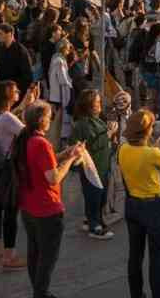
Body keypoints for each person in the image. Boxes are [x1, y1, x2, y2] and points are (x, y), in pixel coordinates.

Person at [14, 101, 85, 298]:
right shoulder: (41, 143)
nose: (51, 120)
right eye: (48, 116)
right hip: (46, 208)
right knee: (47, 257)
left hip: (28, 205)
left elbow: (43, 163)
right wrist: (72, 158)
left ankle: (39, 290)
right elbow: (53, 177)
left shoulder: (25, 138)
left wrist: (64, 154)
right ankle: (41, 292)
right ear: (40, 120)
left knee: (34, 251)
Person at [118, 109, 160, 298]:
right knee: (157, 255)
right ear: (146, 131)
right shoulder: (153, 153)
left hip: (132, 205)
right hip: (153, 207)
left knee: (135, 255)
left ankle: (136, 294)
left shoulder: (124, 149)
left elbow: (142, 153)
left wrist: (156, 142)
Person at [0, 79, 33, 270]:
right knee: (10, 211)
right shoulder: (7, 118)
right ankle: (9, 257)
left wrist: (25, 103)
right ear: (7, 97)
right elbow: (27, 133)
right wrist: (30, 111)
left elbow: (10, 119)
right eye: (15, 91)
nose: (18, 92)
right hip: (6, 169)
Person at [71, 88, 114, 240]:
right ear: (89, 106)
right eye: (97, 102)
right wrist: (108, 135)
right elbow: (87, 146)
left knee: (101, 195)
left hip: (102, 165)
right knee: (93, 195)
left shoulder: (97, 119)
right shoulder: (82, 125)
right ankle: (94, 225)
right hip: (92, 168)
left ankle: (94, 219)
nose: (100, 104)